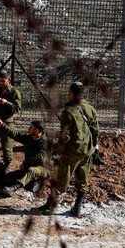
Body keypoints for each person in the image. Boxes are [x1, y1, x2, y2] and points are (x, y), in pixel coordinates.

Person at [32, 82, 94, 217]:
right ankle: (77, 208)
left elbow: (65, 136)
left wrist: (59, 152)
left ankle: (49, 206)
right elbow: (95, 130)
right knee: (82, 180)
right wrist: (94, 148)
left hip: (72, 151)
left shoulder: (68, 111)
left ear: (71, 93)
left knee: (61, 180)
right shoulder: (89, 108)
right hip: (87, 150)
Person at [0, 118, 50, 197]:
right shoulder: (30, 138)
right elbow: (16, 135)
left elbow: (40, 159)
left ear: (37, 130)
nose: (29, 129)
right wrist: (2, 125)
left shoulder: (45, 142)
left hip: (43, 169)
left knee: (31, 170)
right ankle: (31, 182)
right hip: (29, 168)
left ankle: (13, 189)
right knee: (8, 177)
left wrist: (25, 163)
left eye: (31, 127)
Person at [0, 70, 21, 172]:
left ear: (8, 80)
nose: (1, 83)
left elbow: (17, 108)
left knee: (7, 146)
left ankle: (6, 166)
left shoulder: (14, 92)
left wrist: (6, 103)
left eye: (3, 81)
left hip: (6, 123)